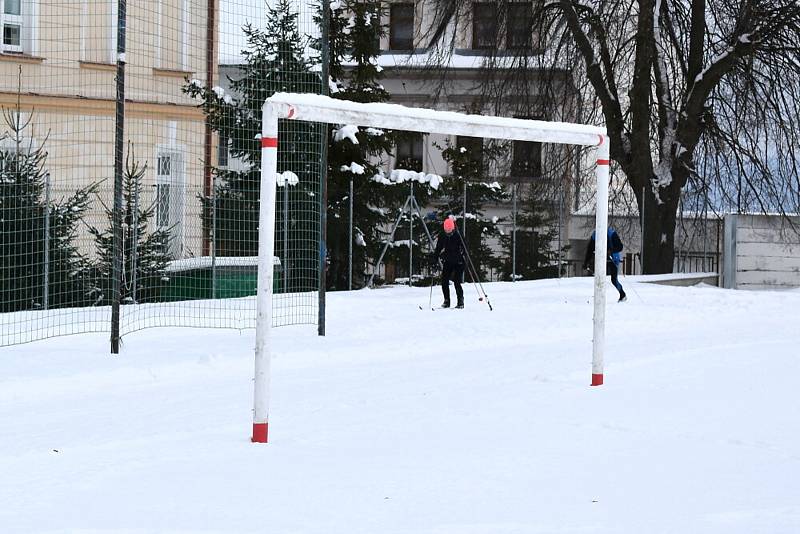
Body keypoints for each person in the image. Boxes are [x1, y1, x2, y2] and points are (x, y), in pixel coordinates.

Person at [583, 227, 627, 302]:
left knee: (614, 280)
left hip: (613, 258)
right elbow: (590, 249)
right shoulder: (595, 235)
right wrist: (586, 262)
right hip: (601, 259)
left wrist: (611, 251)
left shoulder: (611, 233)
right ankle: (599, 295)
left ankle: (622, 295)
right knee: (599, 277)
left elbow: (620, 247)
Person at [432, 217, 465, 308]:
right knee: (444, 281)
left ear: (453, 229)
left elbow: (465, 248)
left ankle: (460, 301)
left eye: (450, 232)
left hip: (459, 261)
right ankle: (447, 301)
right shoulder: (443, 235)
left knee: (457, 281)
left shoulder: (458, 235)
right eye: (447, 231)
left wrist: (464, 255)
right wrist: (435, 259)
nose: (448, 233)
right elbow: (438, 248)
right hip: (448, 260)